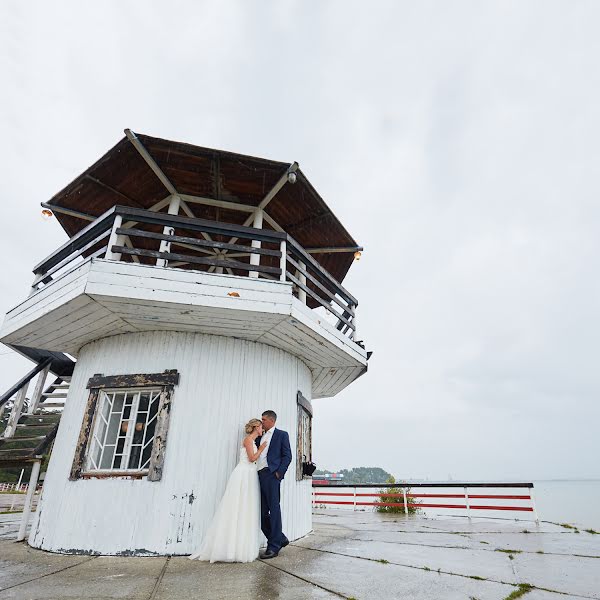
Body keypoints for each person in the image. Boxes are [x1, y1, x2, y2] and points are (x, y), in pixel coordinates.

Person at [189, 418, 267, 563]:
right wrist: (261, 449)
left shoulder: (253, 441)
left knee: (246, 508)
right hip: (243, 474)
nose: (262, 428)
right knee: (236, 507)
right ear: (257, 427)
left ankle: (241, 548)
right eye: (261, 426)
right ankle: (229, 548)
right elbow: (251, 458)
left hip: (250, 475)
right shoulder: (248, 440)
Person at [256, 410, 292, 559]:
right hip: (258, 476)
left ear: (271, 420)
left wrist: (278, 474)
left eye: (263, 419)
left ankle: (274, 546)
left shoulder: (282, 435)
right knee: (262, 513)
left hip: (272, 476)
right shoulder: (260, 437)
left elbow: (287, 456)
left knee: (274, 510)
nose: (261, 422)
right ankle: (280, 538)